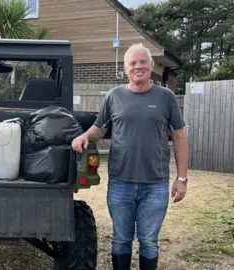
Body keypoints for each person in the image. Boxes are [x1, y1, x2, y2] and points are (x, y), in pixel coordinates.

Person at [71, 43, 188, 270]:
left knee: (149, 241)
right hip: (120, 182)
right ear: (125, 69)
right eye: (132, 63)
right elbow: (99, 128)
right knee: (121, 239)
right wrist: (84, 136)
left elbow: (180, 137)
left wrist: (182, 179)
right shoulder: (114, 97)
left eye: (143, 61)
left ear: (151, 65)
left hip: (155, 184)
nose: (138, 67)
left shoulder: (166, 97)